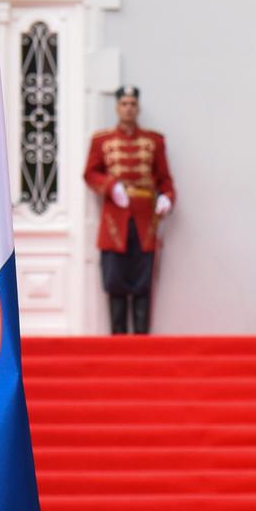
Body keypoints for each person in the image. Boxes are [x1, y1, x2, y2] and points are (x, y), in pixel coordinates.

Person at [82, 85, 174, 335]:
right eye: (124, 103)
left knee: (143, 282)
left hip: (145, 221)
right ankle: (118, 341)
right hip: (115, 220)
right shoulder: (102, 141)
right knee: (116, 281)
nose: (128, 108)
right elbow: (90, 173)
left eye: (133, 104)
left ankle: (142, 342)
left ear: (138, 107)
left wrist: (166, 198)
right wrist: (110, 186)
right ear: (117, 107)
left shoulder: (154, 141)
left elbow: (164, 179)